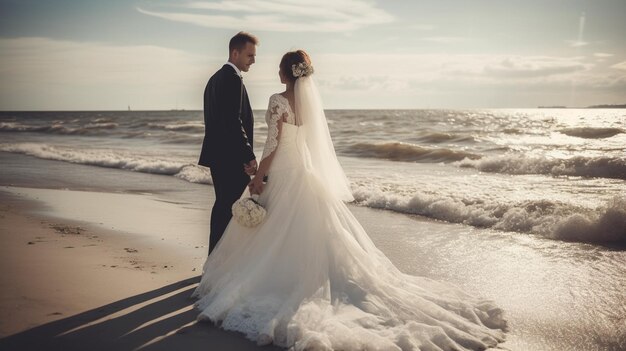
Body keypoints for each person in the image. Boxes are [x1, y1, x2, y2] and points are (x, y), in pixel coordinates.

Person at [192, 50, 507, 350]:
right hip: (306, 174)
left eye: (279, 67)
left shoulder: (278, 101)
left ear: (286, 73)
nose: (274, 70)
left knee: (271, 233)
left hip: (285, 173)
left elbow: (273, 146)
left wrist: (259, 175)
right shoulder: (308, 105)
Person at [198, 32, 259, 255]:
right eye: (250, 55)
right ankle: (218, 261)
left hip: (219, 156)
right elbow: (233, 122)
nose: (253, 60)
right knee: (227, 208)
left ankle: (215, 257)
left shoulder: (214, 79)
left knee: (223, 206)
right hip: (231, 158)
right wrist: (248, 155)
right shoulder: (232, 79)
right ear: (235, 52)